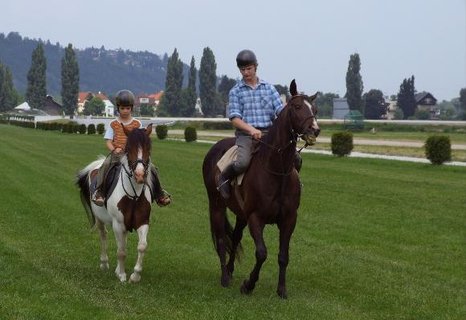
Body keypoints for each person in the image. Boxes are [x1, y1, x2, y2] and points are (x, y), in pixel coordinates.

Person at [217, 49, 285, 199]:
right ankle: (224, 178)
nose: (246, 73)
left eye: (249, 69)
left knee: (294, 158)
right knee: (242, 162)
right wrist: (251, 129)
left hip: (269, 133)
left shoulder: (269, 88)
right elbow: (234, 118)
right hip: (246, 135)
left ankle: (293, 185)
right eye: (243, 69)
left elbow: (281, 111)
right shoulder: (236, 91)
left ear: (256, 67)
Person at [92, 89, 171, 207]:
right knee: (106, 165)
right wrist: (114, 149)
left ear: (132, 108)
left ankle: (159, 194)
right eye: (122, 108)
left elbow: (140, 141)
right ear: (118, 108)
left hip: (133, 155)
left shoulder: (137, 124)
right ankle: (100, 192)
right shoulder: (113, 124)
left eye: (127, 108)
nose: (125, 111)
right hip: (118, 154)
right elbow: (108, 141)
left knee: (153, 168)